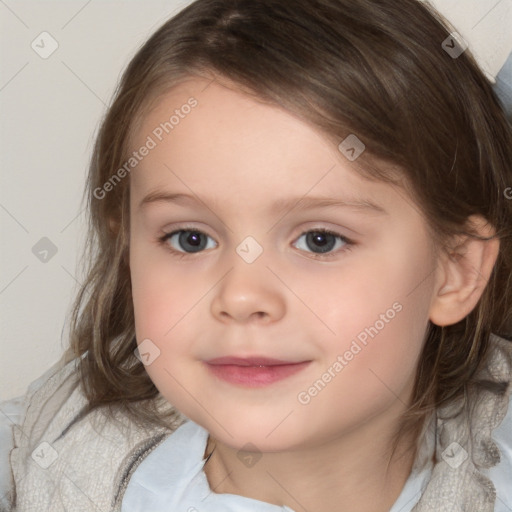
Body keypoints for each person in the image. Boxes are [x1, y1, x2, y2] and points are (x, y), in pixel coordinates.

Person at [2, 0, 512, 510]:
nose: (242, 296)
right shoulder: (55, 440)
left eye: (320, 240)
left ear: (456, 271)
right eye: (190, 239)